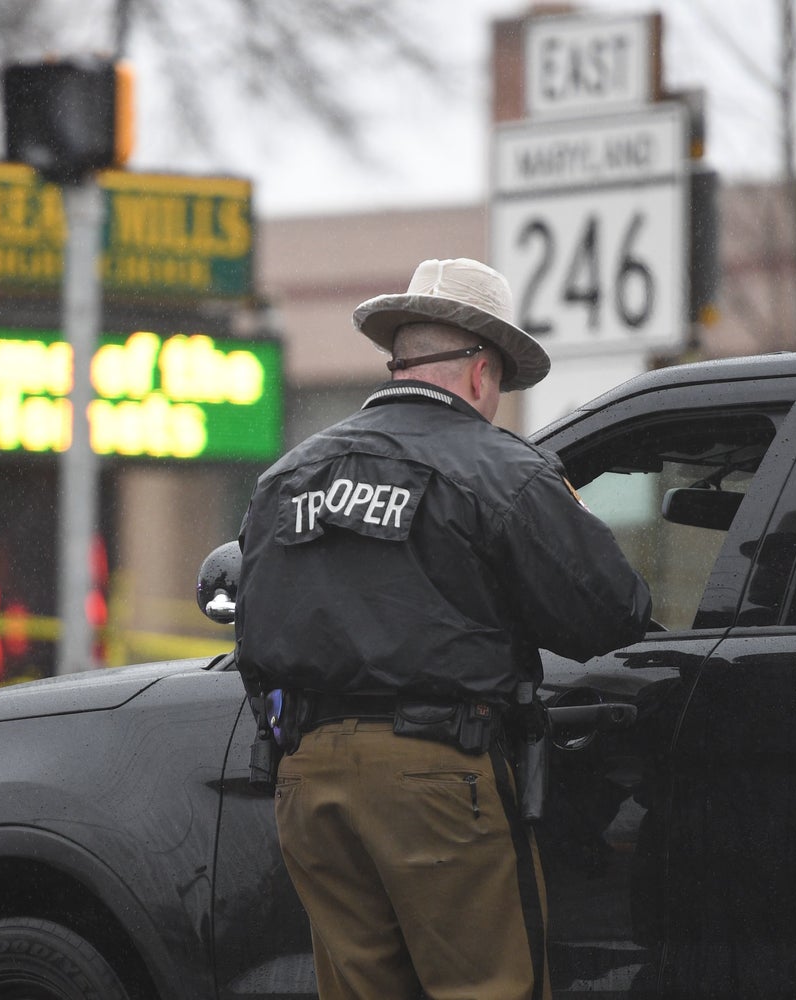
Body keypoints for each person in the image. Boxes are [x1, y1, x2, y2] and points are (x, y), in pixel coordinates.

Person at [234, 257, 653, 1000]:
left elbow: (254, 638)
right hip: (436, 780)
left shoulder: (286, 478)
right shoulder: (500, 471)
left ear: (401, 359)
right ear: (480, 371)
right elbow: (611, 613)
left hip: (308, 782)